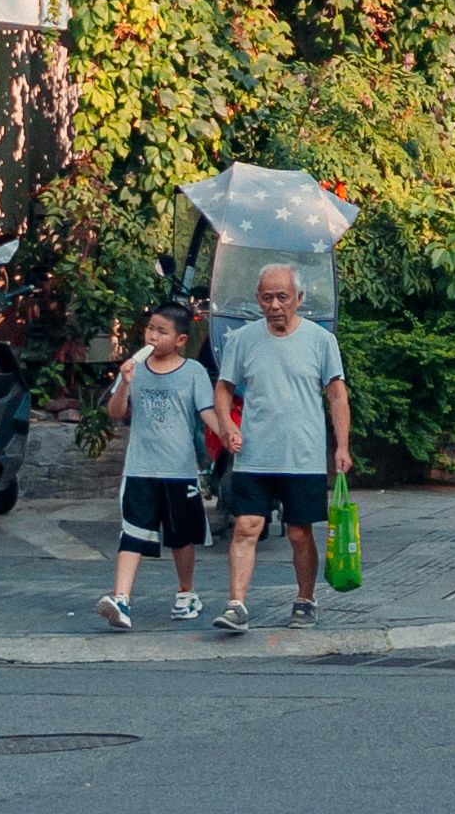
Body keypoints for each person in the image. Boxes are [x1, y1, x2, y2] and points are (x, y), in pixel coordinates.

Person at [212, 264, 352, 633]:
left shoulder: (321, 341)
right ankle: (236, 605)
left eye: (282, 297)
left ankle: (305, 600)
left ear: (300, 299)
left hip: (302, 454)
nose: (274, 305)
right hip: (254, 454)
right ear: (258, 299)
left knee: (298, 531)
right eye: (267, 297)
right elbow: (224, 387)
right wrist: (227, 425)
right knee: (246, 526)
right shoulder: (242, 339)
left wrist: (342, 446)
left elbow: (336, 394)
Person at [97, 305, 223, 632]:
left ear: (180, 339)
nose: (153, 336)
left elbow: (206, 413)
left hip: (179, 471)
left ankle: (186, 592)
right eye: (150, 328)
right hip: (140, 469)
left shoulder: (193, 371)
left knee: (181, 538)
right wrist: (124, 383)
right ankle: (120, 599)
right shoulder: (133, 369)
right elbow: (115, 412)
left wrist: (227, 433)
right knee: (132, 534)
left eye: (162, 331)